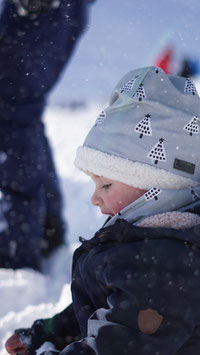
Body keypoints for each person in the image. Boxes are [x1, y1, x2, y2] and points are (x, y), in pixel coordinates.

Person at [5, 66, 200, 354]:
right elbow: (101, 306)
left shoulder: (166, 265)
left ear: (160, 188)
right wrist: (49, 333)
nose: (95, 198)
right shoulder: (141, 240)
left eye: (106, 185)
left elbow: (119, 344)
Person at [0, 0, 91, 270]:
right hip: (50, 12)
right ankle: (43, 228)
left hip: (40, 11)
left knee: (12, 112)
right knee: (19, 112)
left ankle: (16, 254)